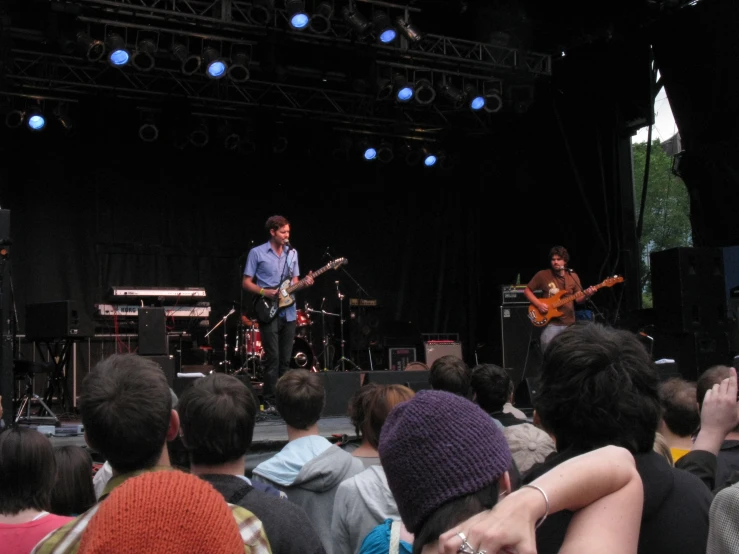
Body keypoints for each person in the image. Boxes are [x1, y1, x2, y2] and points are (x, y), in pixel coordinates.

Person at [243, 215, 314, 413]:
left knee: (285, 359)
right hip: (268, 309)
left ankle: (284, 401)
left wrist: (304, 283)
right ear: (272, 232)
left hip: (289, 311)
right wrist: (265, 292)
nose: (286, 236)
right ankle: (269, 401)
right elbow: (246, 282)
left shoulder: (293, 254)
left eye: (288, 232)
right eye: (283, 232)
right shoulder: (257, 253)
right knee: (272, 358)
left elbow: (295, 281)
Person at [524, 245, 596, 354]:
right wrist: (538, 304)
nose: (555, 262)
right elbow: (527, 291)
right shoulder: (543, 275)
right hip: (551, 324)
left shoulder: (573, 277)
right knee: (548, 355)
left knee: (570, 355)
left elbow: (578, 300)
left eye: (559, 259)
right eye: (553, 260)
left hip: (570, 324)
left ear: (565, 261)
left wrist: (587, 294)